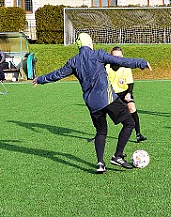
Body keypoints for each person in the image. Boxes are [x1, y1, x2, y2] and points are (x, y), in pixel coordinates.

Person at [32, 33, 152, 174]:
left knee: (101, 131)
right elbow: (120, 61)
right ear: (90, 43)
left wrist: (41, 79)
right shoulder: (98, 54)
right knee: (129, 123)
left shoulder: (74, 61)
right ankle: (117, 156)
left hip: (92, 104)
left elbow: (57, 74)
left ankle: (100, 163)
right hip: (107, 99)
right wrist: (141, 63)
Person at [106, 46, 147, 143]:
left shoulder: (126, 67)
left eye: (119, 56)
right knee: (101, 113)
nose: (117, 59)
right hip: (111, 94)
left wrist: (129, 93)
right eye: (114, 56)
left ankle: (138, 134)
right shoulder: (106, 67)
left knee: (132, 108)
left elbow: (130, 83)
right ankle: (98, 135)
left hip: (124, 92)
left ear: (122, 56)